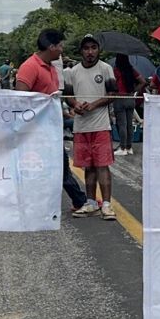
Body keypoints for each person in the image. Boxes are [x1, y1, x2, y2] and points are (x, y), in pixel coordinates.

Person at [15, 28, 90, 215]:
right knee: (48, 165)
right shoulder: (30, 66)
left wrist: (68, 113)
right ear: (51, 46)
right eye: (60, 46)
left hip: (51, 127)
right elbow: (20, 99)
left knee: (57, 164)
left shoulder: (51, 68)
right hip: (35, 130)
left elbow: (54, 97)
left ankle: (77, 200)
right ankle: (78, 200)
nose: (62, 49)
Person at [64, 36, 117, 220]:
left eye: (93, 48)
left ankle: (107, 205)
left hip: (101, 125)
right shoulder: (71, 72)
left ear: (98, 50)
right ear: (81, 51)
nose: (90, 52)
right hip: (81, 126)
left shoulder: (106, 68)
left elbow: (112, 95)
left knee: (102, 165)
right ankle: (91, 202)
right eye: (86, 48)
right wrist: (76, 105)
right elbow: (68, 96)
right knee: (88, 166)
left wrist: (93, 105)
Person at [112, 53, 145, 155]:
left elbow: (111, 84)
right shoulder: (131, 70)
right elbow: (143, 81)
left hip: (120, 98)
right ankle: (129, 147)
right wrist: (134, 90)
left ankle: (122, 148)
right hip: (130, 98)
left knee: (122, 124)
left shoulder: (115, 71)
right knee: (129, 124)